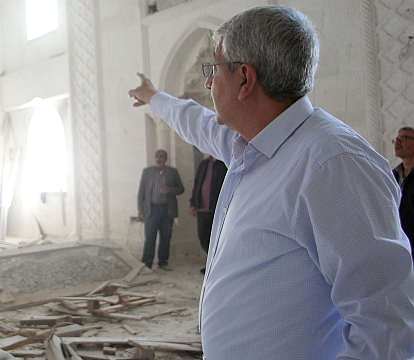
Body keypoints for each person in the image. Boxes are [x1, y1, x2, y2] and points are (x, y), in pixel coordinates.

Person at [128, 5, 414, 359]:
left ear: (245, 79)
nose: (207, 83)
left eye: (212, 70)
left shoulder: (333, 163)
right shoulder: (246, 145)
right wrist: (154, 97)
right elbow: (196, 122)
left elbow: (385, 324)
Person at [137, 149, 184, 270]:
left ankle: (163, 262)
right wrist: (140, 210)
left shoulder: (172, 172)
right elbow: (141, 192)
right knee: (150, 238)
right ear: (154, 158)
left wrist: (170, 190)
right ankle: (147, 264)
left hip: (167, 210)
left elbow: (181, 188)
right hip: (151, 210)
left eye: (161, 157)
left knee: (166, 237)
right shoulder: (147, 172)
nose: (159, 159)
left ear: (166, 159)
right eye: (157, 156)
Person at [189, 155, 226, 274]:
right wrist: (193, 203)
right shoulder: (203, 164)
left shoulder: (223, 163)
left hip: (218, 209)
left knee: (218, 239)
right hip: (202, 209)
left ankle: (218, 266)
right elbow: (197, 184)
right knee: (203, 237)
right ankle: (212, 263)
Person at [393, 126, 414, 245]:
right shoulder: (392, 176)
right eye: (396, 139)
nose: (397, 142)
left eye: (404, 138)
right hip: (400, 241)